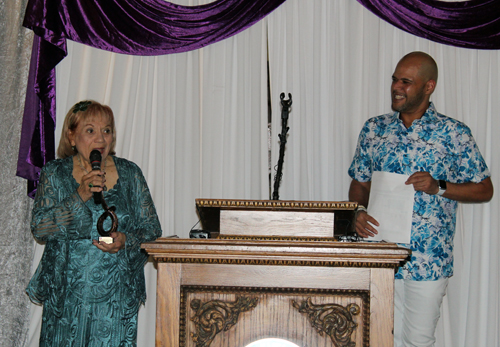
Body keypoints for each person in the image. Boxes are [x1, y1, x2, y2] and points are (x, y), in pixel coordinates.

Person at [348, 52, 493, 347]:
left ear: (429, 87)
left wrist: (439, 186)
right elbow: (360, 181)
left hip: (427, 260)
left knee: (417, 341)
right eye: (395, 79)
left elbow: (484, 189)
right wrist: (357, 211)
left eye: (406, 81)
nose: (396, 87)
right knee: (376, 339)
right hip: (378, 254)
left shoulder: (454, 133)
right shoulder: (374, 129)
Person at [26, 100, 162, 346]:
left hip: (115, 301)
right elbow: (41, 228)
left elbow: (152, 231)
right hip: (65, 301)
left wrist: (125, 240)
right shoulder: (54, 173)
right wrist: (80, 195)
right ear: (72, 136)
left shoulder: (131, 174)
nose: (101, 138)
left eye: (107, 130)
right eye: (90, 130)